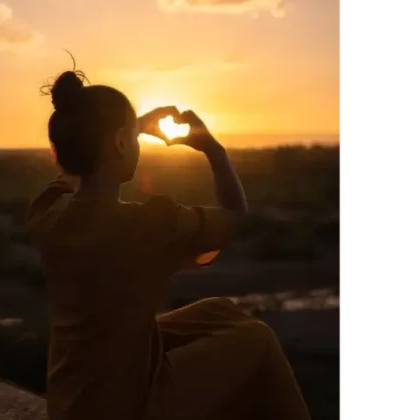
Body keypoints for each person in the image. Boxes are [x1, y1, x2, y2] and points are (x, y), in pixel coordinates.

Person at [26, 68, 311, 420]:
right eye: (131, 138)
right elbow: (236, 215)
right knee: (257, 339)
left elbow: (71, 172)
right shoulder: (149, 224)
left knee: (218, 311)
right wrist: (213, 148)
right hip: (130, 407)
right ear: (118, 143)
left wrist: (129, 127)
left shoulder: (48, 211)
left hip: (73, 400)